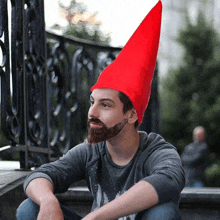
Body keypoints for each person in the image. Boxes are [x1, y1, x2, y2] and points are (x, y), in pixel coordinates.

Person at [16, 1, 185, 219]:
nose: (92, 113)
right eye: (92, 102)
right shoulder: (91, 151)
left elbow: (168, 180)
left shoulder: (156, 151)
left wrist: (97, 216)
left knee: (164, 213)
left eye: (105, 105)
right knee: (30, 208)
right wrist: (48, 201)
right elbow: (41, 174)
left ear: (131, 114)